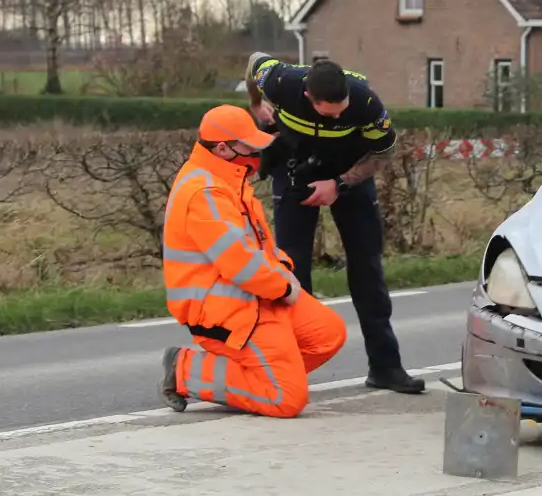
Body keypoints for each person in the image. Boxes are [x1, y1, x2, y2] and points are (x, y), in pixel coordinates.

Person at [243, 52, 425, 394]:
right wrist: (256, 105)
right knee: (292, 272)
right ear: (309, 98)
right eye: (330, 112)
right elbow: (254, 61)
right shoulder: (283, 81)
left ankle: (386, 367)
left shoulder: (366, 102)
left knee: (367, 269)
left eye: (342, 110)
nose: (339, 115)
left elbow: (384, 152)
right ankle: (291, 373)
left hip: (350, 174)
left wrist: (340, 184)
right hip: (297, 167)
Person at [158, 104, 348, 417]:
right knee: (287, 400)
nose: (257, 152)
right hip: (227, 309)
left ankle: (260, 376)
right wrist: (284, 289)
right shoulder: (204, 192)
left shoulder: (230, 178)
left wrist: (283, 272)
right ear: (222, 148)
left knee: (327, 335)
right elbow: (238, 261)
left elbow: (260, 243)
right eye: (248, 146)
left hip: (257, 292)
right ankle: (186, 370)